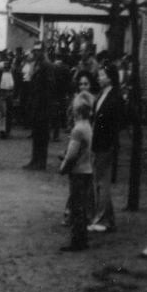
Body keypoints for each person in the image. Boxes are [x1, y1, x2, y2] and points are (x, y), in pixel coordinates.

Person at [88, 63, 123, 233]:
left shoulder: (115, 97)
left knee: (102, 182)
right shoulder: (102, 94)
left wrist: (109, 141)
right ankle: (108, 218)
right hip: (98, 142)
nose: (99, 78)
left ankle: (102, 218)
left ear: (109, 78)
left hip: (106, 144)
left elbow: (116, 122)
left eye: (102, 75)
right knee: (100, 181)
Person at [58, 92, 95, 252]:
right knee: (82, 206)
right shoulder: (88, 127)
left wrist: (63, 167)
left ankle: (77, 241)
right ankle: (82, 239)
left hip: (78, 171)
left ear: (77, 111)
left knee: (76, 207)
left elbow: (72, 154)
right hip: (87, 169)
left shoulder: (77, 130)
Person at [23, 41, 55, 171]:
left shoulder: (47, 66)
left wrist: (44, 104)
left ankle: (41, 162)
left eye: (38, 50)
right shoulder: (36, 65)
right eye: (34, 50)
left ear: (43, 51)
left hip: (44, 106)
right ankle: (35, 160)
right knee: (36, 135)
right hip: (36, 105)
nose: (36, 53)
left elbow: (50, 87)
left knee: (42, 135)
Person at [0, 51, 15, 139]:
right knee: (3, 113)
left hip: (8, 92)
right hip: (3, 93)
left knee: (7, 112)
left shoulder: (12, 70)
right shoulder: (0, 69)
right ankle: (3, 131)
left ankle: (6, 131)